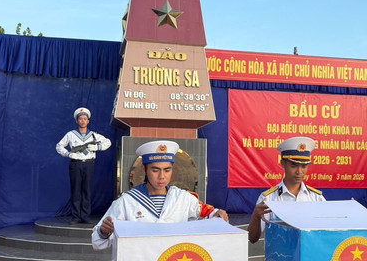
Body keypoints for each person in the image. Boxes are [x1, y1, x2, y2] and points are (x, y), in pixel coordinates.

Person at [92, 140, 229, 250]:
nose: (162, 176)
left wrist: (219, 214)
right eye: (155, 170)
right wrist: (104, 232)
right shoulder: (126, 202)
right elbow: (97, 242)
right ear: (144, 169)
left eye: (167, 170)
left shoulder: (183, 198)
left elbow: (209, 212)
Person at [248, 136, 325, 244]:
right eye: (294, 166)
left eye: (304, 166)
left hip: (309, 256)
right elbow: (252, 239)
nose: (299, 171)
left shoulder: (317, 198)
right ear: (283, 164)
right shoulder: (269, 198)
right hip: (278, 259)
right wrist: (256, 217)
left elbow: (326, 232)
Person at [56, 107, 112, 224]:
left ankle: (85, 216)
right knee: (76, 191)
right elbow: (59, 146)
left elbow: (108, 142)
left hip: (89, 164)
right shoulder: (71, 134)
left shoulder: (94, 136)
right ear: (77, 121)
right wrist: (68, 154)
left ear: (88, 121)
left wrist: (97, 147)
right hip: (75, 164)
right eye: (80, 119)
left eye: (85, 119)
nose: (82, 121)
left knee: (86, 190)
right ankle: (76, 216)